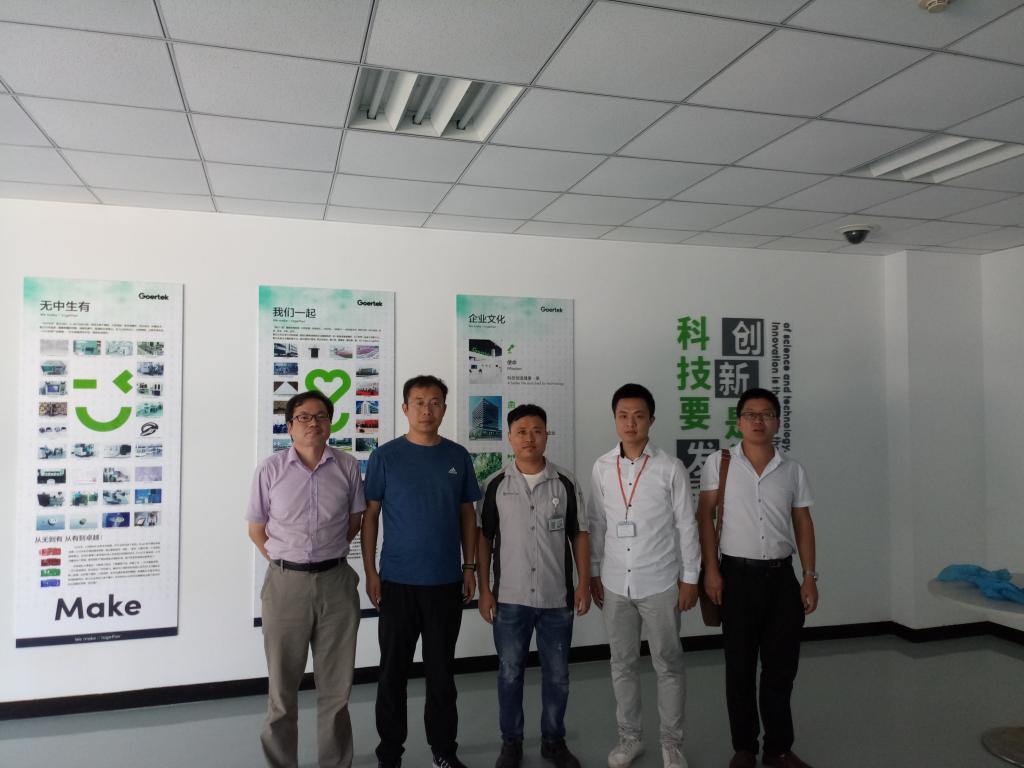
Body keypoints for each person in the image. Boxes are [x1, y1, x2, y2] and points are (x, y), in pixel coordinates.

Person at [361, 375, 481, 768]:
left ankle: (443, 751)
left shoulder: (457, 456)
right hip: (396, 582)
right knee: (392, 674)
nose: (426, 410)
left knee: (442, 675)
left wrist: (469, 567)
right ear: (405, 408)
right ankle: (389, 754)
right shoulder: (385, 457)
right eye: (418, 402)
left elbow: (468, 514)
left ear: (444, 408)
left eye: (434, 402)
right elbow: (370, 516)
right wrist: (371, 572)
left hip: (445, 582)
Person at [696, 388, 817, 768]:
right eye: (750, 414)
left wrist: (809, 576)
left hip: (782, 579)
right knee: (740, 668)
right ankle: (744, 748)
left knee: (781, 668)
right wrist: (711, 570)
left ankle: (778, 748)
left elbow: (803, 522)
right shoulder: (720, 463)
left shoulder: (792, 470)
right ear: (739, 422)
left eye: (766, 414)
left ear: (777, 421)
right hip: (735, 577)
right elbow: (705, 516)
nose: (758, 421)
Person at [246, 390, 365, 768]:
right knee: (282, 691)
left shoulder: (347, 466)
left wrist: (322, 556)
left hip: (336, 583)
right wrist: (289, 562)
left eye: (320, 417)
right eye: (303, 417)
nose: (313, 423)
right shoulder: (270, 470)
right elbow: (256, 529)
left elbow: (354, 522)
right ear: (289, 426)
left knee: (336, 690)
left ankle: (336, 762)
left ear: (330, 423)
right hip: (285, 586)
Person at [589, 383, 700, 768]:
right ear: (615, 419)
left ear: (651, 419)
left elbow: (687, 525)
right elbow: (597, 523)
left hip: (661, 582)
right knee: (621, 663)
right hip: (615, 582)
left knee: (668, 664)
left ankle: (672, 744)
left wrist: (691, 578)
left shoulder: (670, 468)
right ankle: (630, 739)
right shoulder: (602, 467)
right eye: (623, 415)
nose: (630, 423)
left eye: (639, 416)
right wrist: (593, 572)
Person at [477, 404, 591, 768]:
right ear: (510, 437)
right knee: (510, 673)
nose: (530, 438)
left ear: (546, 435)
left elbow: (579, 534)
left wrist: (584, 583)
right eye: (521, 431)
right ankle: (511, 743)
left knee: (558, 676)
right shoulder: (495, 485)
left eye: (537, 430)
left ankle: (553, 742)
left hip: (556, 598)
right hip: (509, 600)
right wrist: (484, 589)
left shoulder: (566, 482)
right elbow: (484, 539)